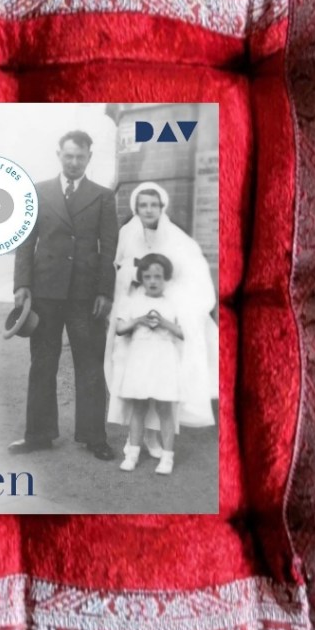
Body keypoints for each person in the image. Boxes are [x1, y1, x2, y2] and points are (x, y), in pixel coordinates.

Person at [9, 130, 118, 460]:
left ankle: (94, 436)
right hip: (45, 292)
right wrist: (22, 284)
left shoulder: (102, 196)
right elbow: (25, 242)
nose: (73, 162)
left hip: (85, 295)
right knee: (42, 364)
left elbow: (109, 247)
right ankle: (38, 434)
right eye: (68, 156)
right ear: (59, 155)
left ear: (89, 158)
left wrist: (104, 290)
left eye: (80, 157)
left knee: (90, 365)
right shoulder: (38, 191)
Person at [104, 181, 215, 459]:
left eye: (154, 205)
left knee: (161, 377)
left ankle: (153, 436)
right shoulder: (127, 234)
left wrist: (164, 288)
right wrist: (131, 273)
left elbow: (189, 274)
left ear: (161, 207)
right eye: (143, 205)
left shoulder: (176, 238)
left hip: (163, 310)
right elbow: (117, 266)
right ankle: (134, 436)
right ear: (136, 208)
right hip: (134, 307)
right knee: (131, 373)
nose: (148, 210)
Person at [113, 253, 184, 475]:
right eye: (148, 277)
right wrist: (139, 320)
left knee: (165, 408)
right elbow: (120, 329)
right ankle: (132, 454)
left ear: (166, 278)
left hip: (164, 357)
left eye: (158, 277)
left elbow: (184, 332)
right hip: (140, 357)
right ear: (141, 278)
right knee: (139, 407)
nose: (153, 281)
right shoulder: (132, 301)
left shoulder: (173, 303)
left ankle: (167, 457)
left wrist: (163, 322)